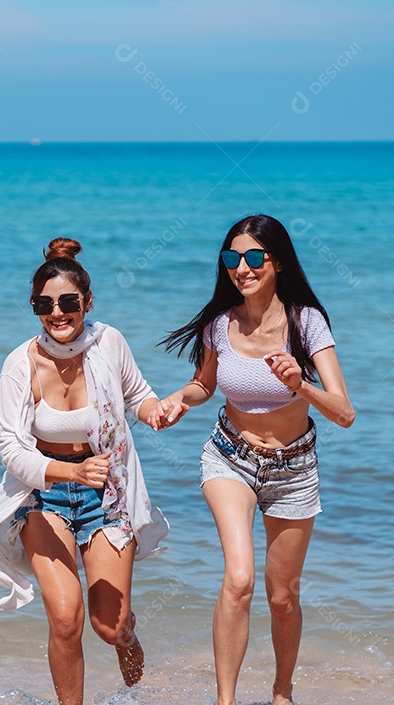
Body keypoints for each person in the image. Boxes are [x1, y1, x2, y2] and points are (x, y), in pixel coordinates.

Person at [150, 214, 354, 705]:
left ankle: (282, 693)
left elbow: (344, 413)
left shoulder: (307, 322)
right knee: (239, 580)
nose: (241, 268)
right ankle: (226, 700)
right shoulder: (219, 324)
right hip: (230, 458)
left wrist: (301, 385)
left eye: (254, 257)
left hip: (294, 470)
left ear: (277, 262)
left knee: (282, 597)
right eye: (231, 258)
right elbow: (204, 385)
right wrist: (179, 399)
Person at [0, 237, 170, 705]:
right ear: (34, 308)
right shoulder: (19, 364)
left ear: (87, 301)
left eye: (68, 302)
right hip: (43, 496)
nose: (57, 313)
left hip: (107, 493)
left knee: (110, 627)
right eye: (44, 305)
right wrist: (69, 473)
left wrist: (158, 412)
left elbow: (138, 396)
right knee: (65, 619)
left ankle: (132, 661)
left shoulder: (109, 343)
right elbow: (11, 449)